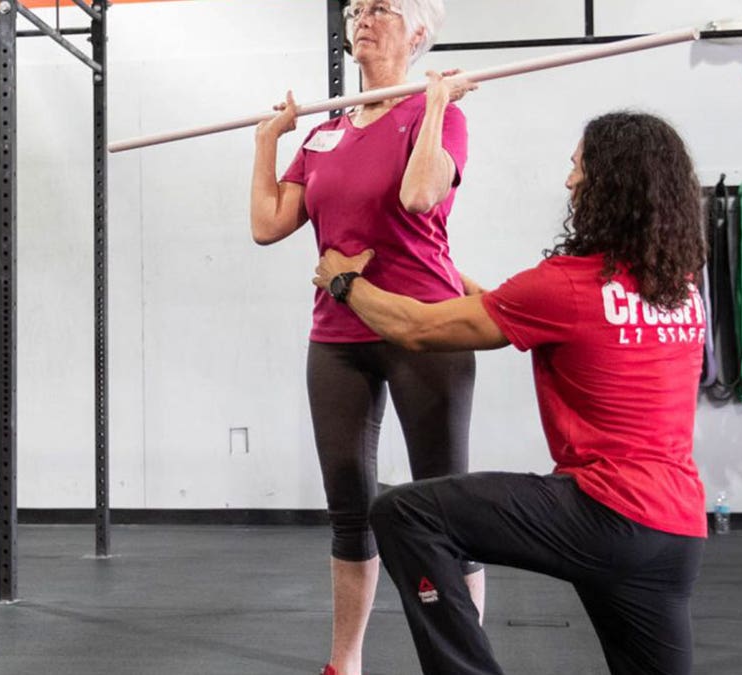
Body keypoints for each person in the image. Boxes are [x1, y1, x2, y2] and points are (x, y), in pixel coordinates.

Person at [312, 111, 709, 675]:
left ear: (609, 184)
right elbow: (517, 307)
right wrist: (445, 275)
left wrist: (344, 283)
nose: (570, 182)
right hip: (675, 535)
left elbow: (417, 331)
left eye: (578, 168)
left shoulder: (567, 285)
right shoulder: (680, 289)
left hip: (601, 511)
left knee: (405, 513)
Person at [248, 2, 484, 673]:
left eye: (382, 8)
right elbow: (268, 223)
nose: (363, 17)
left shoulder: (443, 116)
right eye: (357, 8)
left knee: (446, 507)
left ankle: (463, 662)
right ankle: (343, 664)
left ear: (418, 33)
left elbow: (418, 195)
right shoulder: (323, 134)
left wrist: (434, 103)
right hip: (338, 333)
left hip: (425, 329)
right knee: (349, 506)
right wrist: (269, 138)